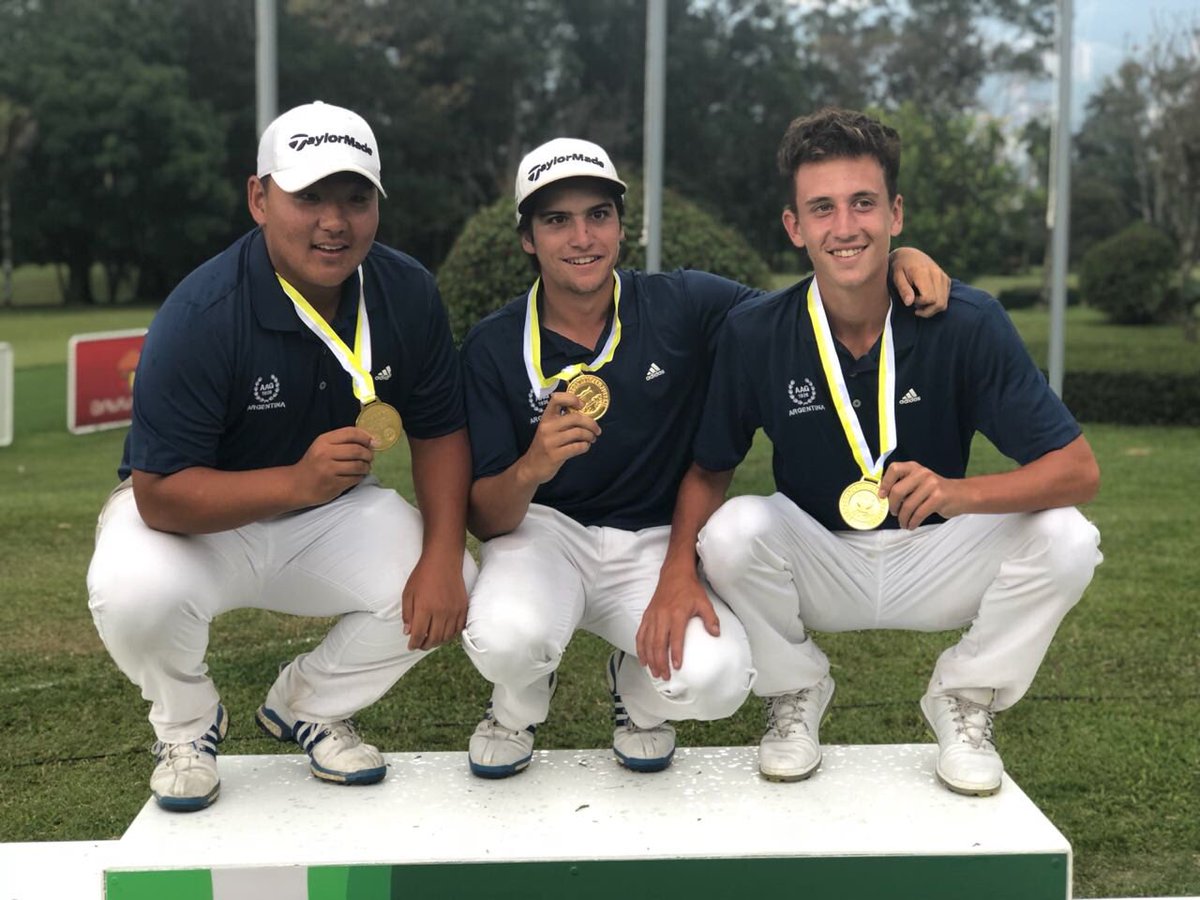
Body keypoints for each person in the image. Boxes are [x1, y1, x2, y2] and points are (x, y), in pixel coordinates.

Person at [457, 136, 951, 778]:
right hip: (544, 535)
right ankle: (517, 704)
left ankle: (637, 695)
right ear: (527, 237)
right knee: (511, 640)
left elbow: (801, 306)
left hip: (657, 540)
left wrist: (895, 255)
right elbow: (486, 519)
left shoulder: (680, 303)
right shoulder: (493, 345)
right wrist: (532, 467)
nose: (582, 237)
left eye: (597, 215)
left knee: (719, 682)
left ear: (621, 226)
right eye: (556, 220)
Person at [649, 107, 1102, 796]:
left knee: (1069, 539)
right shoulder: (756, 333)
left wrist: (960, 493)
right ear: (795, 227)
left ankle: (965, 697)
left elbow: (1079, 470)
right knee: (735, 530)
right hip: (821, 558)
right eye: (822, 208)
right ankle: (795, 693)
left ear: (895, 213)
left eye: (863, 203)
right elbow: (711, 466)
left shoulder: (967, 321)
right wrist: (679, 566)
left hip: (937, 551)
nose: (845, 226)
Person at [86, 101, 475, 812]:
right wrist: (297, 480)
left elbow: (441, 431)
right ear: (259, 198)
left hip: (325, 513)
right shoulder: (203, 311)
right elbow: (159, 495)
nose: (335, 221)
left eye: (356, 198)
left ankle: (310, 704)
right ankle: (187, 727)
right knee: (133, 590)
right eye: (309, 197)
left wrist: (444, 555)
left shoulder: (406, 290)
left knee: (452, 581)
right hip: (195, 521)